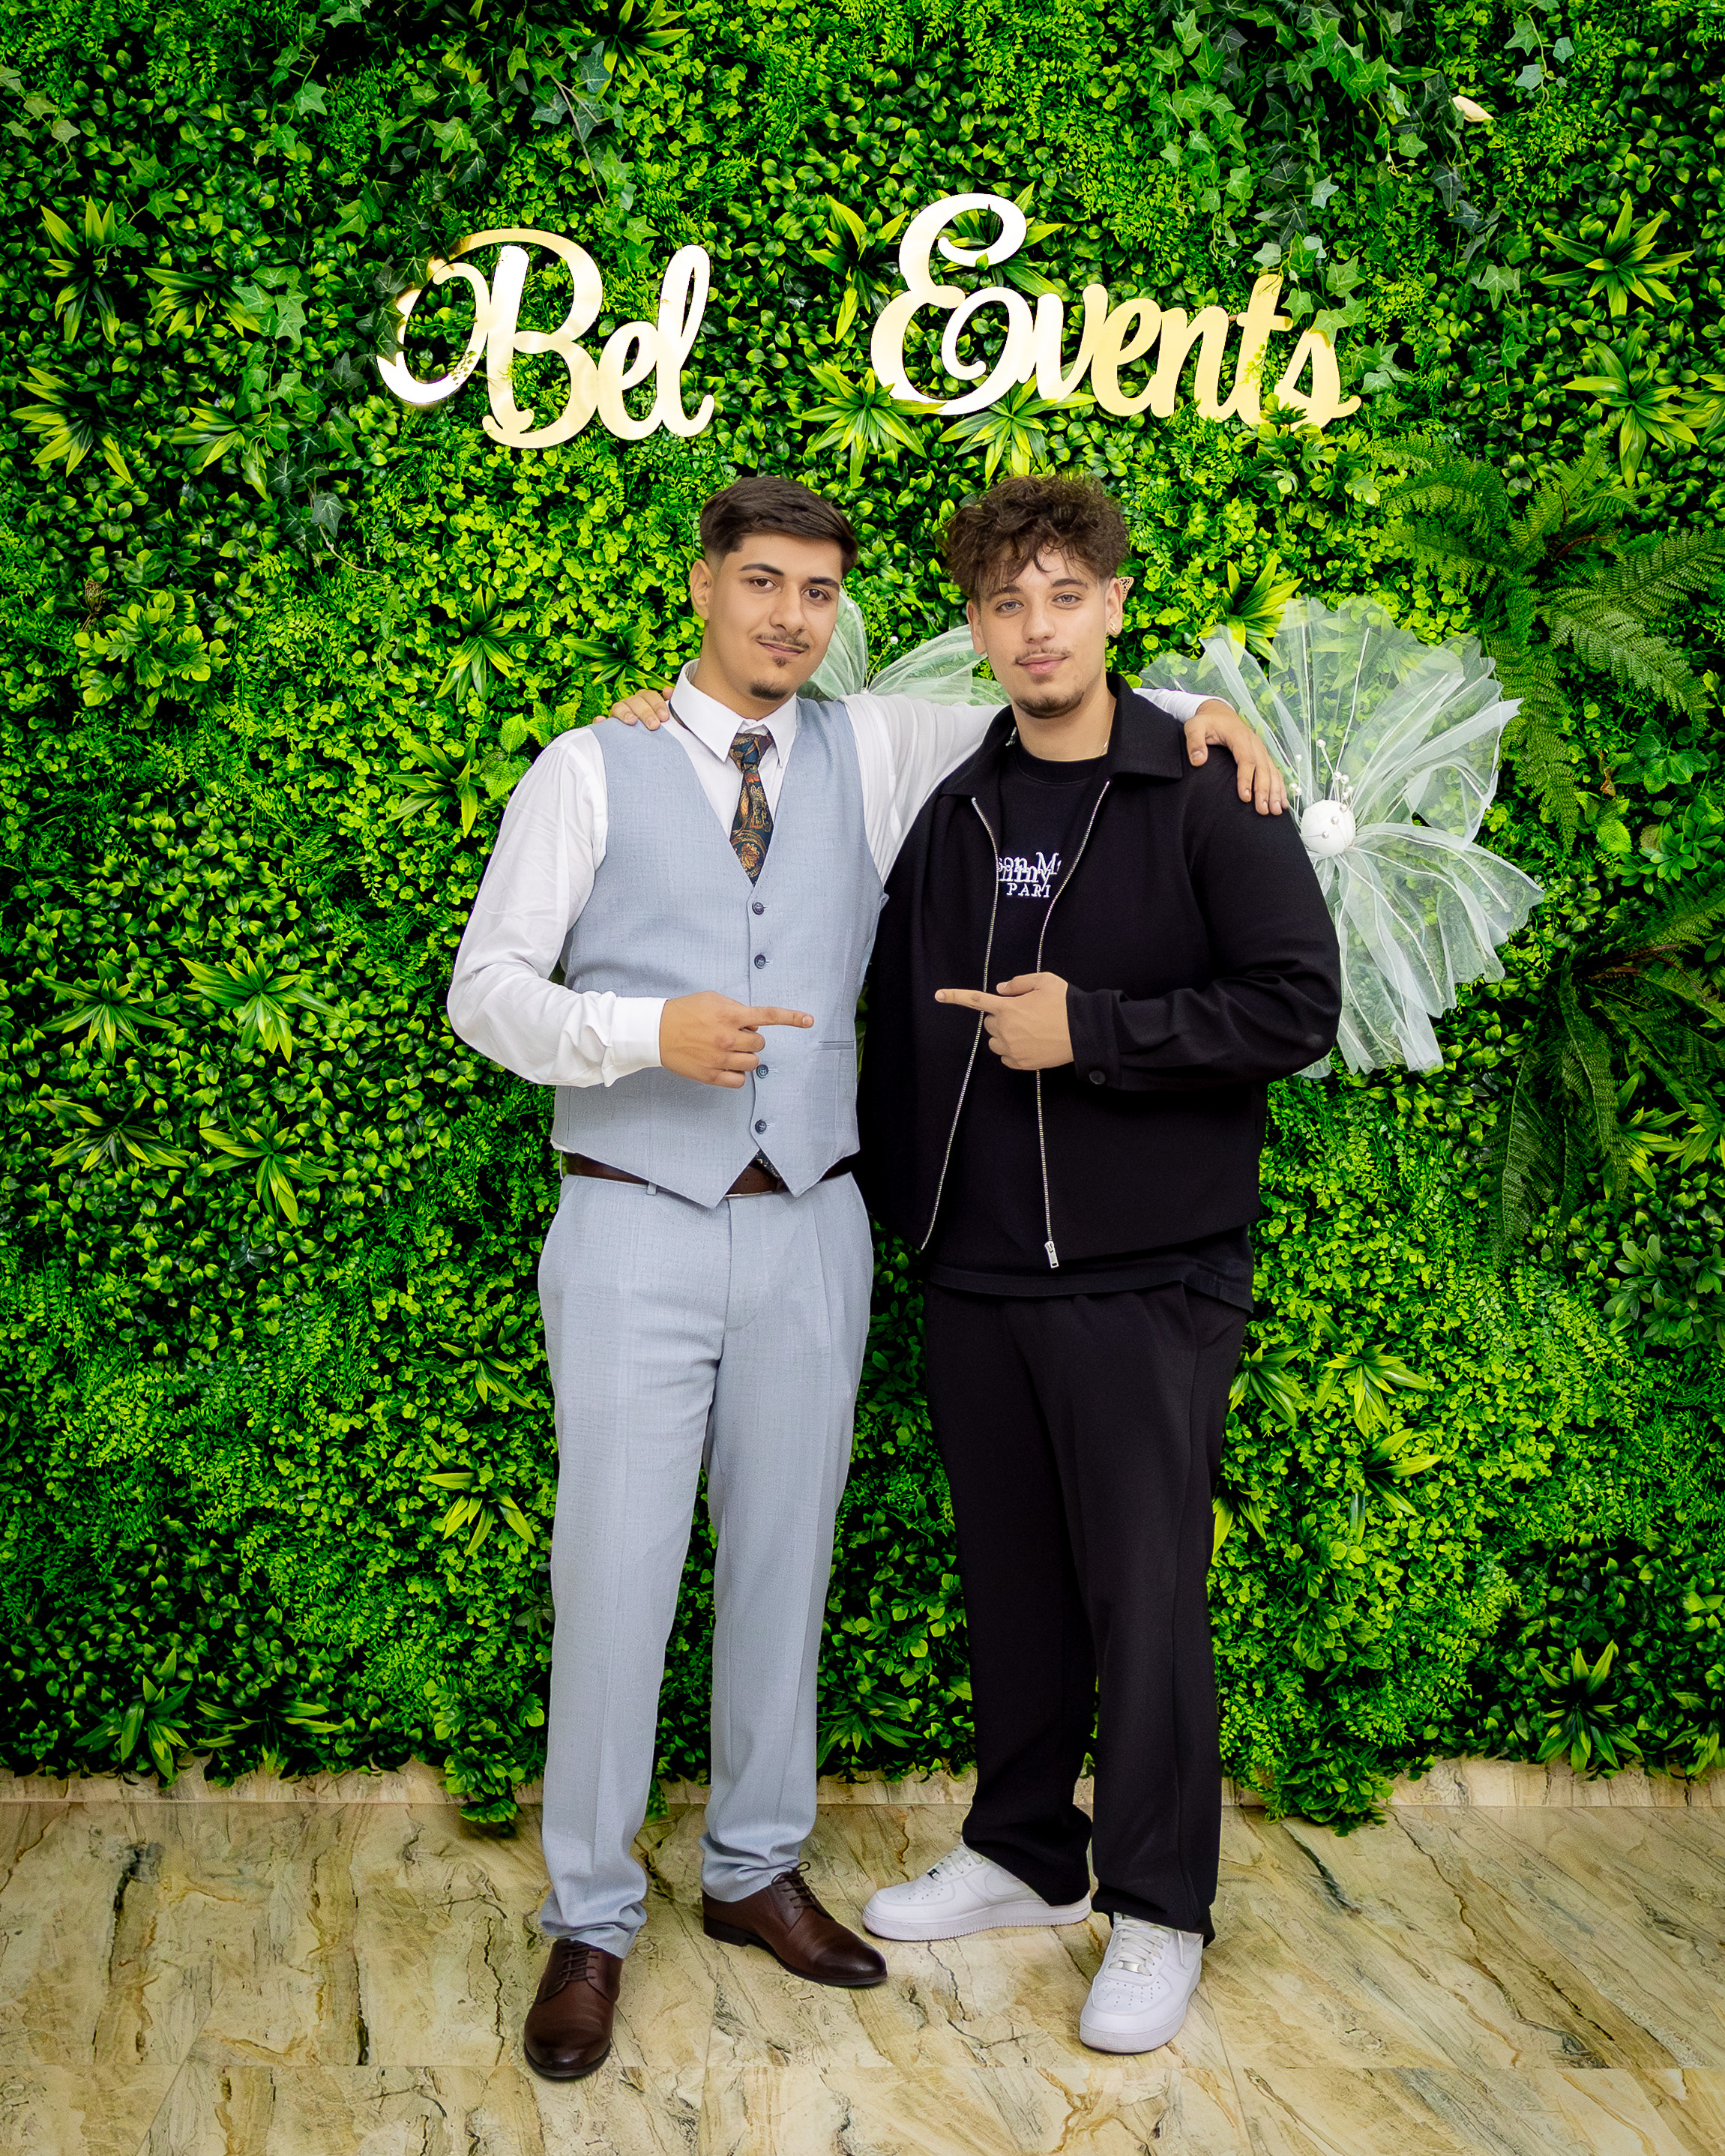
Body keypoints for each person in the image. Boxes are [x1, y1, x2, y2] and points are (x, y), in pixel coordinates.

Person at [447, 475, 1277, 2082]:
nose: (788, 618)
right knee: (612, 1577)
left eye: (817, 593)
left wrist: (1205, 715)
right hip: (630, 1219)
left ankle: (753, 1868)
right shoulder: (587, 768)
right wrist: (639, 1031)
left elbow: (1060, 703)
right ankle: (591, 1915)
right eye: (760, 582)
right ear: (703, 586)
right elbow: (487, 990)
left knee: (786, 1561)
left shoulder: (879, 746)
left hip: (813, 1225)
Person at [855, 475, 1341, 2055]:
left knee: (1145, 1605)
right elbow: (888, 1014)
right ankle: (1021, 1852)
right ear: (976, 626)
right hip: (976, 1271)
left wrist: (1099, 1034)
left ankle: (1156, 1906)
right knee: (1012, 1590)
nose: (1036, 629)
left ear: (1116, 604)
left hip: (1146, 1276)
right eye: (1006, 604)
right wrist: (910, 1218)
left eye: (1064, 596)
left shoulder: (1203, 789)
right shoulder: (957, 800)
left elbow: (1294, 1003)